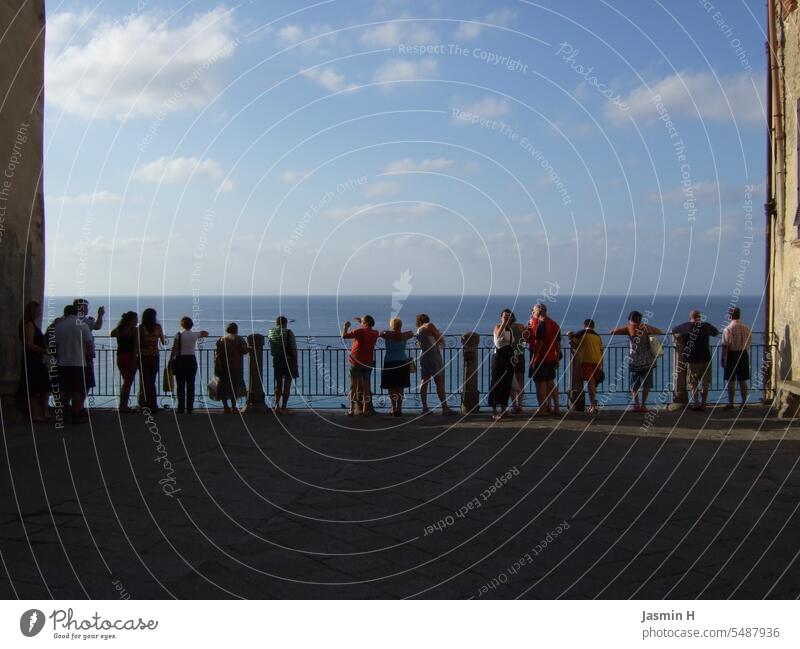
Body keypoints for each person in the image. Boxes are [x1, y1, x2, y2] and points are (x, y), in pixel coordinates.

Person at [610, 311, 662, 412]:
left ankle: (637, 405)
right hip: (648, 360)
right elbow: (659, 331)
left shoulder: (629, 328)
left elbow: (612, 331)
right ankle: (643, 405)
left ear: (630, 319)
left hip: (634, 361)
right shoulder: (645, 327)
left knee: (634, 385)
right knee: (647, 384)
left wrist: (626, 329)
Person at [672, 309, 719, 411]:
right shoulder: (705, 326)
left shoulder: (685, 326)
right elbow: (715, 332)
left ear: (690, 317)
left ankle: (696, 403)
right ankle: (703, 404)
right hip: (706, 357)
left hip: (692, 359)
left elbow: (674, 330)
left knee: (693, 382)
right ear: (700, 317)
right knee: (705, 382)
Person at [53, 304, 93, 424]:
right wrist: (89, 360)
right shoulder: (83, 326)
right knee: (77, 390)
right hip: (79, 362)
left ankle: (62, 413)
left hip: (63, 362)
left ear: (65, 313)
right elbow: (89, 345)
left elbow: (55, 344)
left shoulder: (59, 326)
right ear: (76, 313)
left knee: (62, 390)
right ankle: (75, 414)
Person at [416, 314, 454, 415]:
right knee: (439, 382)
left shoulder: (419, 330)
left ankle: (425, 408)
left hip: (423, 356)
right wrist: (440, 335)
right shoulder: (429, 325)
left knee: (424, 381)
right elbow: (439, 338)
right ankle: (445, 408)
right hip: (433, 356)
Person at [18, 301, 50, 422]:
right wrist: (43, 350)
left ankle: (37, 413)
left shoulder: (27, 324)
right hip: (33, 358)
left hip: (33, 357)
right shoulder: (30, 325)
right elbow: (29, 344)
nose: (40, 312)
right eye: (38, 310)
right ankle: (34, 414)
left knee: (36, 386)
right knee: (34, 387)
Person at [170, 316, 209, 415]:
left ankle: (181, 407)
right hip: (191, 360)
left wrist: (170, 360)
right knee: (191, 385)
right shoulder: (194, 335)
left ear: (181, 325)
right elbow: (206, 333)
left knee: (180, 385)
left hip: (180, 360)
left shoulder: (178, 335)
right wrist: (199, 333)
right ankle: (190, 407)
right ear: (191, 325)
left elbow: (174, 349)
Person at [528, 303, 562, 416]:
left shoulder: (541, 325)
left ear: (537, 311)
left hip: (541, 359)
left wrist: (533, 359)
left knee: (540, 384)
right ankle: (556, 407)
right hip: (552, 358)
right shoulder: (555, 324)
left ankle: (542, 408)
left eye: (533, 311)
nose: (532, 314)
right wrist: (557, 358)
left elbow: (539, 344)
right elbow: (558, 344)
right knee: (550, 382)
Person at [342, 316, 379, 416]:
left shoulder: (359, 331)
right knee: (367, 388)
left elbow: (344, 336)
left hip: (356, 362)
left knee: (353, 387)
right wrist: (362, 322)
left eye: (362, 322)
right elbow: (366, 330)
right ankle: (365, 410)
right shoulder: (375, 333)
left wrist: (345, 327)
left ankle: (351, 410)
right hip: (368, 362)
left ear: (365, 323)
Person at [567, 319, 604, 415]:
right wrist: (601, 364)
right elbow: (601, 350)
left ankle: (593, 406)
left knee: (590, 381)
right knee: (593, 382)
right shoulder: (597, 336)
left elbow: (573, 343)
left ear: (584, 325)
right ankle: (593, 404)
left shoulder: (581, 333)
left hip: (587, 359)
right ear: (593, 326)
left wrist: (569, 335)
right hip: (597, 360)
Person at [379, 318, 414, 417]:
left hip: (389, 362)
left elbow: (380, 333)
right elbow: (411, 333)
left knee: (392, 386)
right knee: (400, 386)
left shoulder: (387, 335)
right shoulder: (404, 335)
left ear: (392, 325)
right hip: (402, 362)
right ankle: (399, 409)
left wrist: (388, 331)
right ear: (400, 325)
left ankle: (393, 408)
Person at [136, 308, 166, 413]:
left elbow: (136, 344)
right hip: (154, 357)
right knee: (152, 381)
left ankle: (143, 405)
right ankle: (153, 405)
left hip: (143, 357)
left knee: (144, 381)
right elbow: (163, 342)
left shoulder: (140, 328)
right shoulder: (158, 327)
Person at [215, 322, 249, 413]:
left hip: (224, 366)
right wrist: (249, 348)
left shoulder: (222, 339)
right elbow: (245, 351)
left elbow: (217, 352)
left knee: (224, 387)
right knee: (235, 386)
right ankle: (234, 407)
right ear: (236, 329)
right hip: (236, 367)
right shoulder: (239, 339)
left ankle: (225, 407)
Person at [721, 307, 752, 410]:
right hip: (743, 354)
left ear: (730, 316)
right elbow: (749, 343)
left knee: (731, 380)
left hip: (731, 355)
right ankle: (744, 403)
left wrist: (723, 358)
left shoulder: (728, 329)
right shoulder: (747, 328)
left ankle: (731, 403)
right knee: (743, 380)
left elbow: (725, 345)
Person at [74, 298, 104, 398]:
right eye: (86, 307)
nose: (87, 309)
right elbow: (98, 326)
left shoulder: (72, 319)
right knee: (87, 380)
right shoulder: (83, 320)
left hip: (73, 354)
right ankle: (80, 405)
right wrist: (100, 314)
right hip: (86, 354)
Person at [488, 309, 515, 421]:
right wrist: (504, 322)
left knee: (506, 383)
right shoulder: (498, 326)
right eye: (505, 316)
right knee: (496, 382)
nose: (507, 318)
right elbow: (498, 337)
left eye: (509, 316)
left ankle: (504, 408)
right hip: (499, 357)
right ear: (501, 317)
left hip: (508, 357)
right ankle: (494, 410)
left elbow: (511, 342)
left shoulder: (510, 329)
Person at [268, 316, 298, 414]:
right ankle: (284, 407)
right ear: (286, 323)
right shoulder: (289, 332)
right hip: (288, 360)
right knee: (287, 384)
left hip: (276, 360)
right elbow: (293, 349)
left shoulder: (271, 332)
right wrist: (295, 363)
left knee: (278, 384)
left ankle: (277, 406)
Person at [110, 311, 138, 412]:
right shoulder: (134, 330)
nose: (137, 320)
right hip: (130, 357)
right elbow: (135, 346)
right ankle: (123, 406)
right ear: (132, 320)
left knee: (126, 381)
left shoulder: (119, 329)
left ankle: (123, 405)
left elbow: (111, 333)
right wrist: (134, 359)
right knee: (128, 382)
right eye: (136, 319)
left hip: (120, 356)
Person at [509, 312, 527, 413]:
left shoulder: (505, 327)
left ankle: (514, 405)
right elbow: (525, 340)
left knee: (512, 382)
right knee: (520, 381)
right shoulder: (520, 327)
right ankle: (519, 405)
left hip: (509, 356)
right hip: (519, 355)